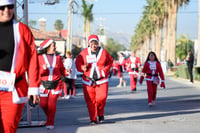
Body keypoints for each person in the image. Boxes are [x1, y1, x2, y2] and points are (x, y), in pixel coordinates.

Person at [0, 0, 40, 132]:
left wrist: (34, 87)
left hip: (12, 90)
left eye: (10, 7)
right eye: (2, 7)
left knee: (8, 128)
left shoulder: (22, 29)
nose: (7, 10)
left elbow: (33, 58)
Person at [75, 34, 113, 124]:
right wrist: (82, 67)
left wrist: (104, 71)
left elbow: (110, 62)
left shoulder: (103, 52)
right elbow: (78, 63)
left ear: (98, 43)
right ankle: (93, 118)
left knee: (101, 98)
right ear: (89, 44)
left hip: (102, 80)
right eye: (91, 43)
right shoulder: (84, 53)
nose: (94, 45)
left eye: (95, 43)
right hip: (88, 81)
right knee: (90, 101)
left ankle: (100, 113)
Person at [37, 39, 67, 130]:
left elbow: (62, 70)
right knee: (43, 104)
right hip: (43, 84)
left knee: (51, 105)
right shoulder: (39, 58)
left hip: (56, 84)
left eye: (55, 45)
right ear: (47, 47)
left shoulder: (58, 58)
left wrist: (67, 72)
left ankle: (50, 122)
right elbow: (36, 72)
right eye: (53, 45)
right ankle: (50, 116)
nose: (55, 47)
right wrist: (43, 70)